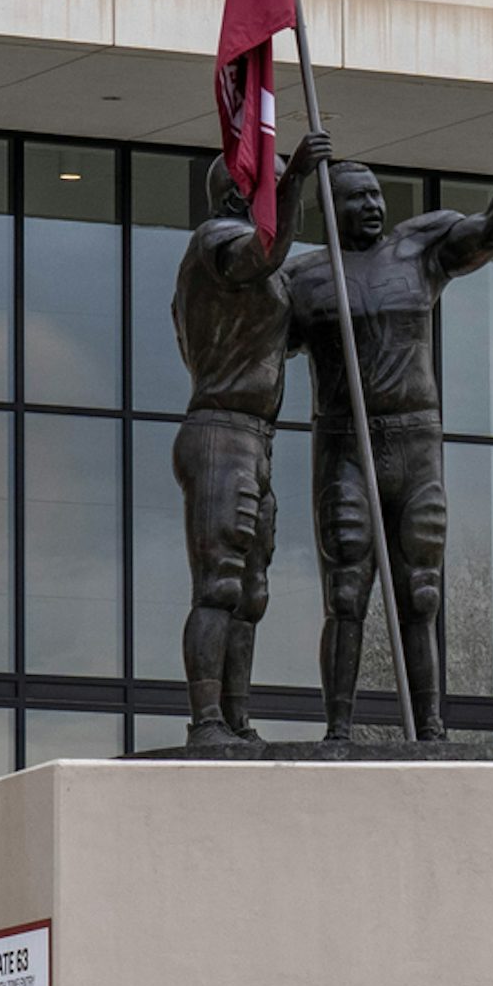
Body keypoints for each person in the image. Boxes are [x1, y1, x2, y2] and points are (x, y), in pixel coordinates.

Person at [280, 102, 493, 739]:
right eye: (357, 198)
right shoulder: (304, 279)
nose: (374, 206)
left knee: (423, 593)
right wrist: (289, 185)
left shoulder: (417, 251)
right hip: (346, 445)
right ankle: (338, 729)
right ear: (331, 209)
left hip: (415, 442)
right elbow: (257, 344)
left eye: (378, 195)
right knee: (348, 592)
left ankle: (432, 726)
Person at [167, 131, 330, 744]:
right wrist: (292, 186)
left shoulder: (267, 273)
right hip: (220, 430)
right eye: (268, 187)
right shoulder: (214, 243)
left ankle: (236, 718)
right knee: (220, 583)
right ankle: (206, 720)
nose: (287, 201)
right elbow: (260, 254)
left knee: (252, 593)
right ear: (241, 194)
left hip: (255, 437)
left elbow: (281, 327)